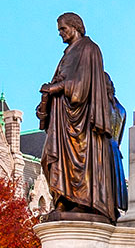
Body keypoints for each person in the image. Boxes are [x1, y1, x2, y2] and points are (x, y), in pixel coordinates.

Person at [39, 13, 127, 222]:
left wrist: (55, 88)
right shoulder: (67, 53)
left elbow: (82, 85)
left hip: (82, 121)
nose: (60, 33)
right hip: (62, 118)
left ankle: (83, 202)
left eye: (63, 29)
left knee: (81, 159)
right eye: (59, 30)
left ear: (76, 26)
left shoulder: (89, 48)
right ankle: (64, 200)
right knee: (51, 159)